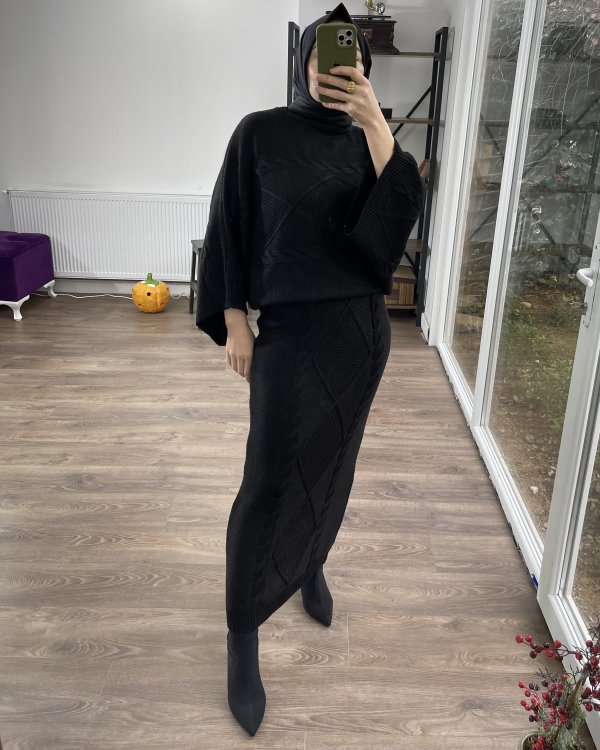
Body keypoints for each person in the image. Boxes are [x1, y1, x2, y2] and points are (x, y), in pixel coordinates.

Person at [196, 1, 425, 736]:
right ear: (303, 64)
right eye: (324, 55)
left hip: (359, 335)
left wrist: (378, 124)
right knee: (267, 479)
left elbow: (393, 228)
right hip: (289, 335)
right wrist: (234, 317)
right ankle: (242, 634)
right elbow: (227, 223)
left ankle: (308, 561)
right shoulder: (260, 133)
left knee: (332, 463)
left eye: (349, 58)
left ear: (365, 68)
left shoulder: (369, 142)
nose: (334, 68)